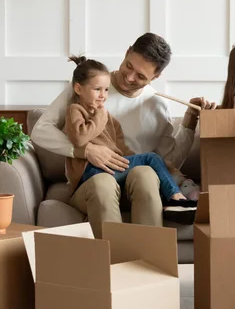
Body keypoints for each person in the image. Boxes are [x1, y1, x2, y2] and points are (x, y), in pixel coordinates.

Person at [31, 33, 216, 238]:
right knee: (104, 182)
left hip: (135, 187)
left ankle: (150, 262)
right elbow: (40, 130)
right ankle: (114, 265)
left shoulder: (156, 105)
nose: (129, 78)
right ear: (127, 51)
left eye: (141, 76)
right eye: (129, 66)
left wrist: (190, 120)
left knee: (146, 173)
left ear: (156, 77)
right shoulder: (91, 86)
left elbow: (168, 162)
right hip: (92, 185)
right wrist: (86, 150)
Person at [63, 55, 197, 227]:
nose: (103, 96)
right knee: (151, 158)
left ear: (154, 77)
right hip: (90, 173)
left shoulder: (111, 119)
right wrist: (99, 116)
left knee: (147, 165)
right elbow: (79, 137)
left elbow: (123, 151)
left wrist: (154, 165)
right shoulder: (76, 109)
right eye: (97, 89)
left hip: (112, 170)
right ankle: (176, 198)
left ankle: (150, 250)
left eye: (105, 90)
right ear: (79, 89)